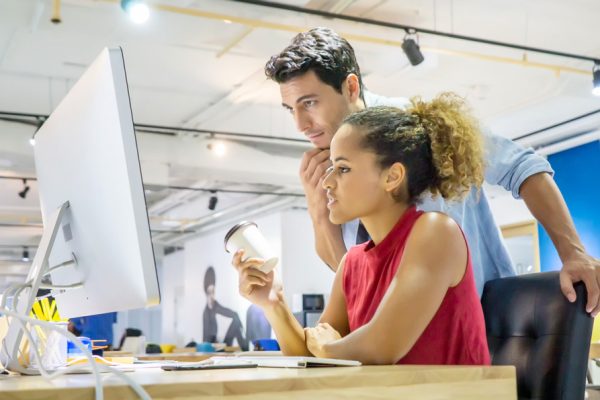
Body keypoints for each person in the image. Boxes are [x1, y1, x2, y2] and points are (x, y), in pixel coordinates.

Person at [258, 27, 600, 315]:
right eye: (291, 109)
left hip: (479, 324)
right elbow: (353, 274)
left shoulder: (422, 127)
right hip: (398, 337)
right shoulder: (328, 167)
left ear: (350, 87)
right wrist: (318, 211)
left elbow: (523, 167)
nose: (301, 124)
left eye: (310, 103)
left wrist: (574, 252)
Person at [233, 94, 490, 364]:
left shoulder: (436, 232)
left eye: (343, 169)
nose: (327, 182)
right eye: (331, 167)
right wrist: (274, 302)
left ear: (392, 177)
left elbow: (380, 348)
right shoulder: (352, 262)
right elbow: (311, 359)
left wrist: (327, 350)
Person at [202, 266, 248, 350]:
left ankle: (245, 348)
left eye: (213, 292)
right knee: (236, 321)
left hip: (221, 345)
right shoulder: (206, 313)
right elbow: (205, 341)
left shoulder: (215, 306)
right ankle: (245, 349)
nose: (212, 295)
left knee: (236, 320)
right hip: (213, 349)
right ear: (206, 293)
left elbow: (233, 314)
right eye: (209, 292)